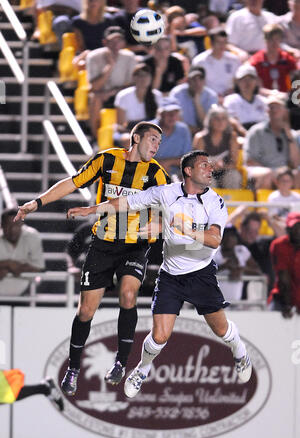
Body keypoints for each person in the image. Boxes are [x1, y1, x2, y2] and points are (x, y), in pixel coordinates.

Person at [66, 150, 253, 398]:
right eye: (204, 165)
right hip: (170, 276)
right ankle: (142, 369)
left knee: (221, 331)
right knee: (159, 337)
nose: (211, 170)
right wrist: (92, 210)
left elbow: (214, 240)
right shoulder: (166, 193)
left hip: (200, 274)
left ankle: (240, 352)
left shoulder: (215, 201)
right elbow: (126, 202)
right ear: (188, 171)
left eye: (210, 166)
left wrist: (177, 227)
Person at [14, 122, 170, 396]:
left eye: (160, 142)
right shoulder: (106, 159)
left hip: (135, 246)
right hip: (103, 244)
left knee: (129, 295)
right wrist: (36, 203)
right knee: (86, 310)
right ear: (136, 138)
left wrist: (159, 223)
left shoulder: (157, 174)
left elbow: (170, 206)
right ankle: (73, 368)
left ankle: (121, 362)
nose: (157, 146)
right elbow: (72, 183)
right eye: (153, 139)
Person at [86, 25, 138, 141]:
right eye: (112, 41)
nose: (115, 45)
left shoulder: (130, 57)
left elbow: (131, 84)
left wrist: (111, 92)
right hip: (101, 95)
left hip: (121, 94)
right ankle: (96, 139)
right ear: (105, 42)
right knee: (95, 97)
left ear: (123, 43)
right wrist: (110, 67)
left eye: (119, 41)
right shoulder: (93, 57)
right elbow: (95, 87)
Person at [243, 93, 300, 189]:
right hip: (261, 171)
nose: (273, 109)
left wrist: (288, 135)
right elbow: (250, 161)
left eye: (277, 106)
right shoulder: (256, 131)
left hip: (284, 172)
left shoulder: (292, 134)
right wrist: (274, 172)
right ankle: (263, 204)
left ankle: (295, 203)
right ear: (267, 111)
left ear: (285, 111)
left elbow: (295, 163)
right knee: (268, 175)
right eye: (271, 107)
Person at [113, 63, 163, 147]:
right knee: (130, 140)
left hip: (151, 132)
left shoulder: (157, 96)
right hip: (128, 131)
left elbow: (159, 120)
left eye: (146, 75)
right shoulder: (123, 96)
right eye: (139, 75)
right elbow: (121, 125)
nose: (143, 78)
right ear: (133, 78)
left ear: (151, 78)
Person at [192, 104, 242, 188]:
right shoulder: (201, 138)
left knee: (234, 176)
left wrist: (223, 166)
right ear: (210, 121)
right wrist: (211, 166)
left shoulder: (232, 137)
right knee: (208, 180)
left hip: (225, 171)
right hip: (205, 172)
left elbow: (234, 163)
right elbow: (197, 163)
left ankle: (232, 200)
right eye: (217, 119)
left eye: (223, 119)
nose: (220, 122)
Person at [0, 208, 45, 297]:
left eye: (16, 224)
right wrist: (10, 264)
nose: (13, 229)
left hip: (25, 294)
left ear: (22, 224)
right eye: (8, 225)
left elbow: (39, 269)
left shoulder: (32, 236)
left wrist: (7, 265)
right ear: (1, 226)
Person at [214, 226, 262, 302]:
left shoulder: (242, 250)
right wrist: (224, 266)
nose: (230, 239)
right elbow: (203, 273)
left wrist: (242, 269)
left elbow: (258, 271)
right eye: (227, 235)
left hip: (236, 303)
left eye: (232, 236)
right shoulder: (214, 251)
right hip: (216, 302)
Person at [191, 26, 241, 99]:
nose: (222, 46)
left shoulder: (234, 60)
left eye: (224, 42)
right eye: (219, 42)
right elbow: (196, 85)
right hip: (207, 99)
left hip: (230, 98)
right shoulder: (199, 61)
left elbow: (238, 81)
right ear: (211, 43)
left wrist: (232, 91)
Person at [169, 65, 218, 136]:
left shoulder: (211, 95)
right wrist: (191, 129)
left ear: (204, 81)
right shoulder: (177, 93)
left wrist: (197, 101)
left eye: (200, 79)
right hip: (181, 132)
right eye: (194, 79)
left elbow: (208, 123)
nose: (197, 83)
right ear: (188, 81)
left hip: (204, 134)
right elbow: (174, 119)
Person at [249, 23, 297, 93]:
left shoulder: (287, 59)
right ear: (265, 40)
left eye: (277, 39)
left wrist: (290, 96)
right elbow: (255, 87)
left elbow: (295, 82)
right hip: (265, 98)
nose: (274, 43)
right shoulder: (256, 61)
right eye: (271, 39)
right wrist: (272, 94)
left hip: (285, 97)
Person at [150, 96, 192, 176]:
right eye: (168, 113)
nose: (172, 116)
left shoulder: (183, 129)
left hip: (176, 173)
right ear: (161, 114)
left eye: (175, 112)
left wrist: (168, 162)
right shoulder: (149, 128)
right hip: (150, 171)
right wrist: (159, 165)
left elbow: (187, 159)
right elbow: (141, 157)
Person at [269, 211, 300, 317]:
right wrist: (287, 304)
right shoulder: (279, 245)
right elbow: (283, 277)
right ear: (288, 228)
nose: (298, 231)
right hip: (282, 298)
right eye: (295, 227)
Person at [71, 0, 116, 71]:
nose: (93, 2)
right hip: (87, 54)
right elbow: (80, 47)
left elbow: (111, 42)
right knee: (79, 62)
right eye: (90, 0)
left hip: (105, 54)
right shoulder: (77, 22)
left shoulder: (109, 20)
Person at [223, 63, 268, 133]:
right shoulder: (230, 101)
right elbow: (230, 121)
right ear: (237, 82)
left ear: (256, 81)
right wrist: (245, 133)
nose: (247, 83)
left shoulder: (263, 101)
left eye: (251, 79)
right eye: (243, 79)